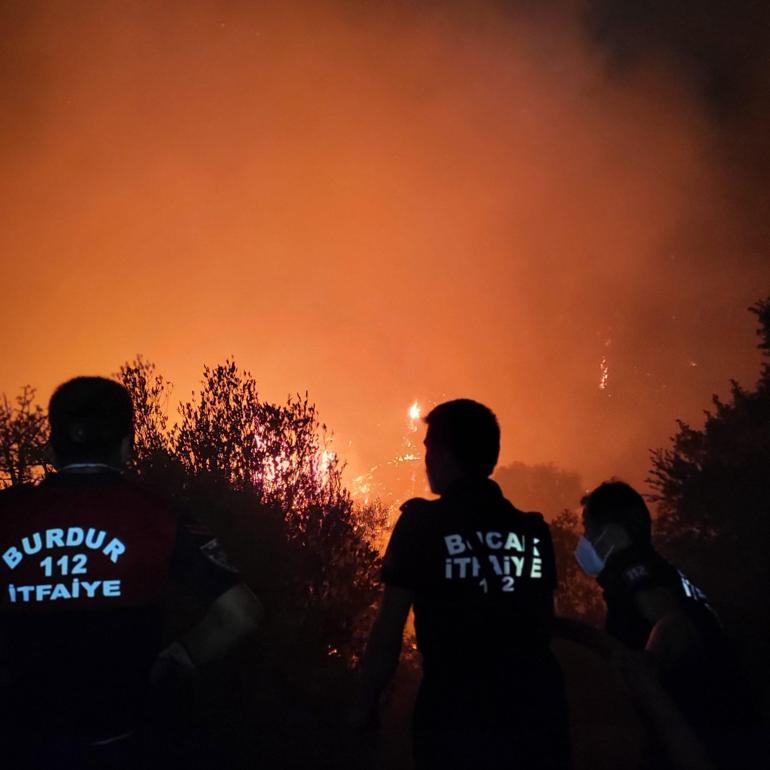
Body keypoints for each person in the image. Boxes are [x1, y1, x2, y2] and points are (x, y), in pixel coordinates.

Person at [0, 377, 263, 769]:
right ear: (127, 446)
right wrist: (177, 660)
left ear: (53, 447)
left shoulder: (7, 514)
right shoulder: (161, 517)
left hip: (16, 744)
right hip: (122, 744)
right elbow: (242, 614)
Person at [353, 399, 571, 770]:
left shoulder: (421, 524)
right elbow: (542, 624)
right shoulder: (533, 530)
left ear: (443, 454)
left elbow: (389, 631)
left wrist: (363, 705)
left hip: (456, 721)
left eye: (427, 448)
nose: (425, 460)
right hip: (539, 717)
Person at [575, 480, 761, 769]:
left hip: (702, 732)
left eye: (587, 527)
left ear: (610, 534)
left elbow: (670, 620)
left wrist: (647, 663)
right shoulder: (663, 570)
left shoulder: (635, 570)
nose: (583, 537)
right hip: (732, 727)